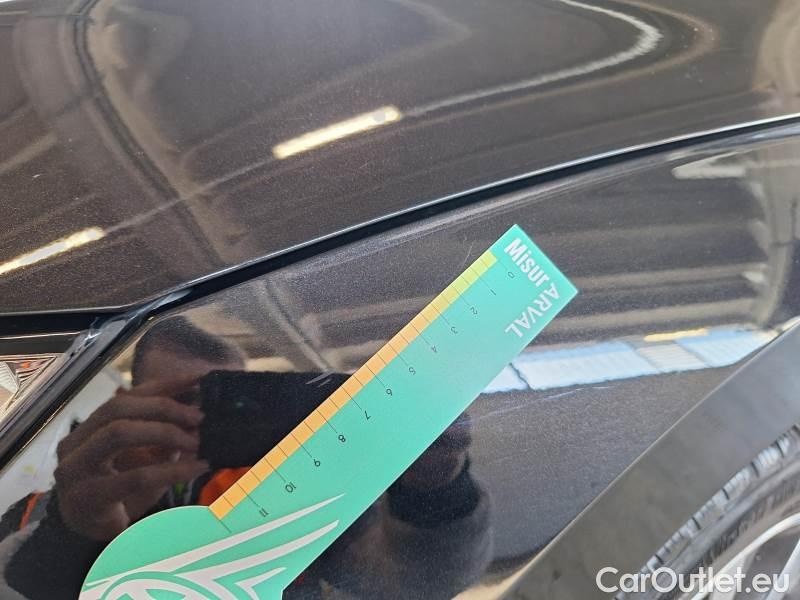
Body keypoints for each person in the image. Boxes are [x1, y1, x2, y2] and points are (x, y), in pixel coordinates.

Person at [0, 317, 492, 599]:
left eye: (225, 399)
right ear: (128, 400)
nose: (199, 419)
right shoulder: (51, 508)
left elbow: (412, 584)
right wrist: (71, 538)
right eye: (181, 399)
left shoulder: (288, 492)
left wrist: (439, 492)